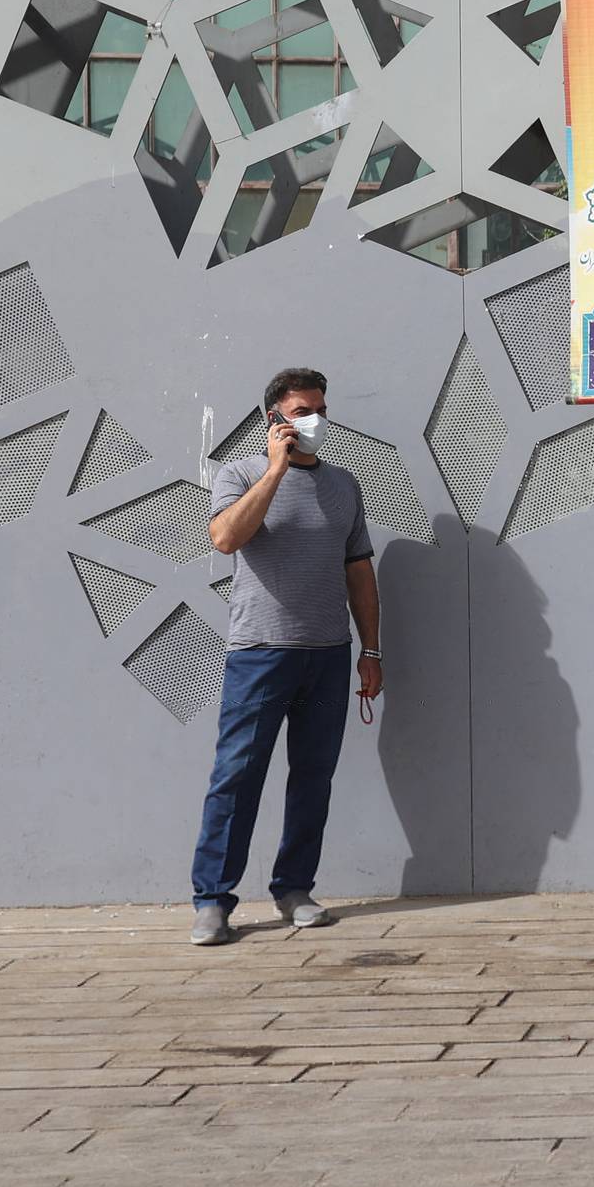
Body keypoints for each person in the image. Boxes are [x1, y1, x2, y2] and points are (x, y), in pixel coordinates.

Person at [188, 369, 382, 945]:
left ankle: (294, 888)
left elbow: (360, 574)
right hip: (260, 654)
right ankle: (212, 901)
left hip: (328, 654)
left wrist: (371, 650)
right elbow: (225, 538)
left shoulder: (344, 485)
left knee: (313, 779)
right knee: (236, 777)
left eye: (321, 409)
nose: (315, 420)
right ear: (273, 417)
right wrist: (275, 470)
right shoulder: (240, 474)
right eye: (301, 410)